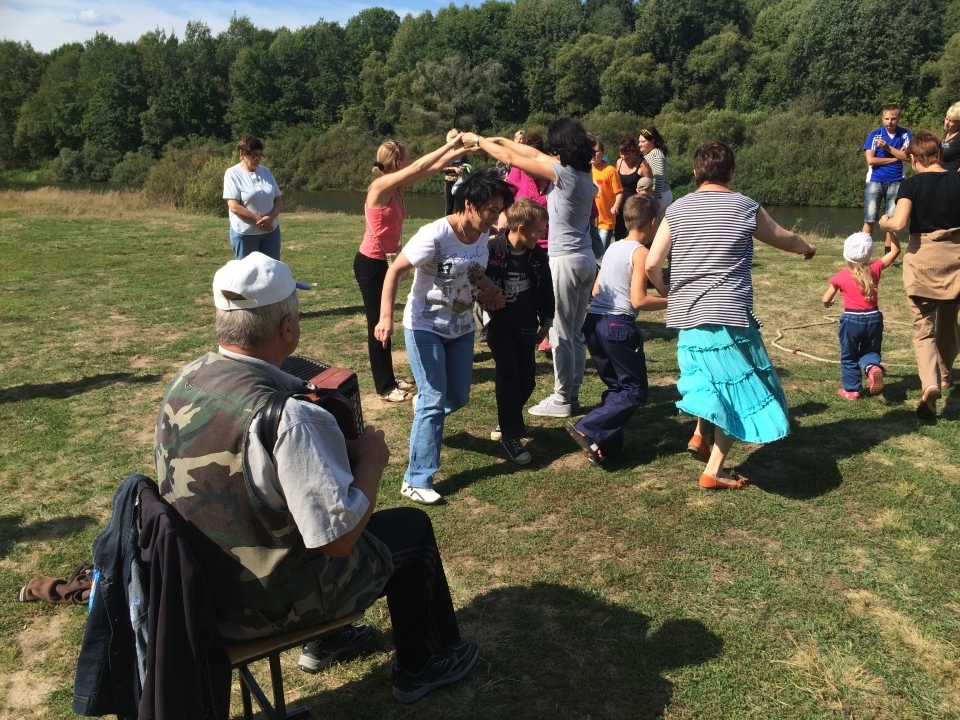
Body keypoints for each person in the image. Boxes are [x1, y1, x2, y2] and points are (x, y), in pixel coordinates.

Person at [154, 252, 478, 703]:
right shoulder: (289, 418)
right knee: (411, 530)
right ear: (287, 328)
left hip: (202, 587)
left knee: (299, 517)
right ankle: (420, 666)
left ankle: (329, 640)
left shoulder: (187, 379)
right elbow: (338, 540)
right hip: (261, 606)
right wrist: (371, 461)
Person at [645, 140, 816, 490]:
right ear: (731, 171)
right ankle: (713, 470)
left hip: (687, 314)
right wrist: (807, 247)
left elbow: (651, 264)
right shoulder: (744, 205)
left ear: (696, 171)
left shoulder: (676, 209)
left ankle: (699, 435)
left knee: (709, 379)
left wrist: (667, 291)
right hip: (729, 312)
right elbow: (784, 238)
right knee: (737, 387)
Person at [375, 170, 513, 504]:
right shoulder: (435, 235)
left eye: (499, 210)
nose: (496, 218)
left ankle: (425, 411)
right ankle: (416, 479)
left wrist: (489, 291)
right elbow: (394, 271)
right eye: (490, 210)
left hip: (461, 327)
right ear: (469, 204)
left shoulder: (481, 234)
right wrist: (384, 318)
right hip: (425, 326)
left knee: (458, 398)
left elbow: (473, 275)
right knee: (435, 398)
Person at [463, 118, 597, 418]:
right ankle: (572, 395)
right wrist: (496, 140)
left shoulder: (563, 173)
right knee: (574, 333)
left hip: (565, 261)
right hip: (586, 258)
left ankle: (562, 399)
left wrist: (478, 142)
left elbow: (514, 161)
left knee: (561, 334)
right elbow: (531, 154)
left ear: (561, 146)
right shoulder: (582, 172)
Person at [356, 135, 472, 404]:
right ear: (398, 163)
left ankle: (389, 377)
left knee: (384, 320)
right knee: (379, 322)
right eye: (406, 158)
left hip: (385, 261)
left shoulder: (397, 185)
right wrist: (450, 145)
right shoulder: (380, 186)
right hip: (371, 263)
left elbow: (431, 168)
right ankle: (385, 386)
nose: (410, 162)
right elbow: (421, 166)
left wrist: (458, 151)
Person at [565, 194, 667, 465]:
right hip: (618, 326)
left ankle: (605, 446)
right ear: (653, 222)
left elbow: (596, 290)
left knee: (617, 387)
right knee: (634, 390)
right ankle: (588, 427)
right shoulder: (640, 252)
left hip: (594, 323)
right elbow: (639, 300)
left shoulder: (612, 248)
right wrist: (674, 301)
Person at [879, 130, 960, 418]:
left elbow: (899, 223)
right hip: (955, 260)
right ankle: (945, 376)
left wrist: (884, 222)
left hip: (923, 261)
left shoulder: (911, 184)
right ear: (939, 154)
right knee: (949, 323)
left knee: (923, 327)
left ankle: (930, 384)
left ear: (914, 158)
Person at [484, 198, 555, 464]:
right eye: (538, 231)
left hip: (526, 323)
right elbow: (475, 283)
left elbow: (546, 289)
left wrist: (546, 321)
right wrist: (487, 303)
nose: (541, 236)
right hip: (498, 324)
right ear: (521, 228)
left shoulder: (537, 255)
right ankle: (511, 436)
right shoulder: (491, 249)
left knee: (527, 380)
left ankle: (505, 419)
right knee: (508, 374)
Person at [822, 232, 900, 400]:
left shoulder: (840, 276)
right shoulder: (875, 269)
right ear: (869, 253)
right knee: (870, 349)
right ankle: (872, 368)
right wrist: (890, 230)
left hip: (851, 321)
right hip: (874, 318)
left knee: (849, 355)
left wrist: (828, 304)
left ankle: (851, 390)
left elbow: (825, 299)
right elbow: (895, 252)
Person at [223, 134, 283, 260]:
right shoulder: (232, 173)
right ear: (242, 154)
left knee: (271, 268)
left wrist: (270, 219)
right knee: (247, 270)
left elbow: (278, 199)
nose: (257, 159)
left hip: (271, 231)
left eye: (260, 155)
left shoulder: (266, 172)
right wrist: (258, 221)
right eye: (254, 155)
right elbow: (234, 206)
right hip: (246, 233)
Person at [862, 104, 913, 252]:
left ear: (899, 118)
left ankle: (889, 253)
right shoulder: (875, 135)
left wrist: (887, 149)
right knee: (870, 218)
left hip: (897, 180)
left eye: (893, 119)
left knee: (891, 220)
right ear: (882, 118)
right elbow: (871, 160)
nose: (889, 122)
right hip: (875, 180)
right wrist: (897, 157)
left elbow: (910, 157)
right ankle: (862, 252)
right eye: (887, 119)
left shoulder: (905, 135)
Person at [590, 138, 624, 268]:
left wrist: (616, 206)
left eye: (596, 151)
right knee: (591, 255)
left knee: (600, 255)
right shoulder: (585, 169)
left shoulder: (610, 170)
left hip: (606, 220)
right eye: (590, 151)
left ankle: (602, 278)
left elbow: (619, 192)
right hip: (591, 220)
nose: (593, 154)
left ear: (603, 153)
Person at [614, 137, 653, 240]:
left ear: (634, 151)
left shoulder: (643, 166)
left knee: (633, 238)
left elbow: (649, 188)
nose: (623, 157)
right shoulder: (619, 162)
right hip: (620, 207)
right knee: (619, 237)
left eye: (626, 154)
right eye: (621, 154)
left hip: (635, 209)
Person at [638, 127, 672, 222]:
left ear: (652, 141)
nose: (639, 144)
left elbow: (659, 178)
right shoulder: (654, 154)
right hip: (662, 194)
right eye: (639, 141)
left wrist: (655, 199)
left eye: (643, 141)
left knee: (656, 226)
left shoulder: (656, 155)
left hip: (660, 195)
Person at [942, 102, 960, 173]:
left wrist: (956, 175)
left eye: (951, 121)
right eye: (947, 119)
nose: (947, 123)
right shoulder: (947, 133)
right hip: (942, 176)